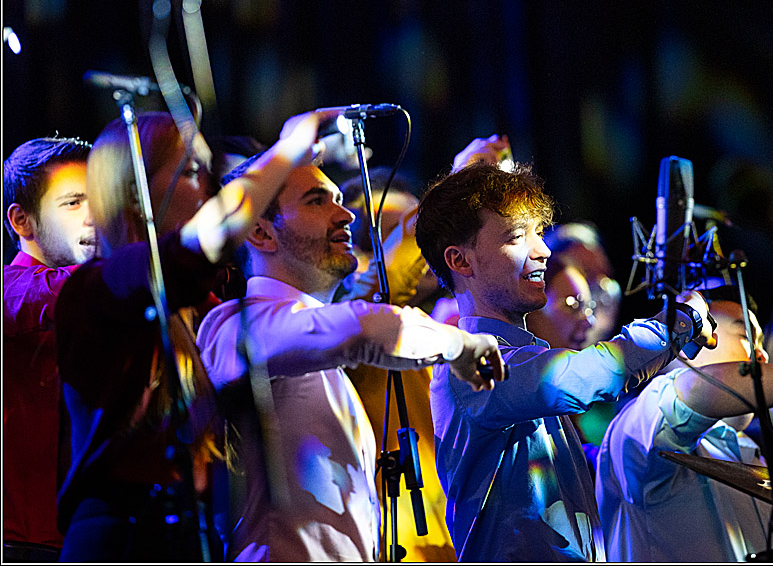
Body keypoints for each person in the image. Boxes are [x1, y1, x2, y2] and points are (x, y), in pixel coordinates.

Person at [53, 108, 438, 561]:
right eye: (193, 171)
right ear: (138, 195)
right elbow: (210, 243)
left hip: (176, 539)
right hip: (123, 541)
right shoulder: (103, 285)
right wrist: (290, 145)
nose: (211, 190)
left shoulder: (192, 312)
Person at [195, 154, 507, 562]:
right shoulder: (232, 325)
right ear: (260, 231)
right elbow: (362, 328)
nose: (345, 215)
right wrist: (458, 344)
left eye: (339, 199)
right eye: (316, 201)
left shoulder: (317, 345)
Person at [414, 161, 716, 562]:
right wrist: (680, 321)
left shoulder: (525, 357)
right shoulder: (465, 367)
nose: (542, 250)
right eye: (516, 237)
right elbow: (582, 377)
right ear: (460, 261)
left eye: (538, 233)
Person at [595, 285, 773, 562]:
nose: (762, 355)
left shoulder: (759, 461)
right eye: (746, 336)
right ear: (688, 344)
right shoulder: (641, 423)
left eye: (761, 344)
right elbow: (699, 389)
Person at [3, 136, 94, 562]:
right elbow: (62, 293)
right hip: (22, 541)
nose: (95, 216)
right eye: (74, 202)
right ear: (22, 221)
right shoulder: (11, 290)